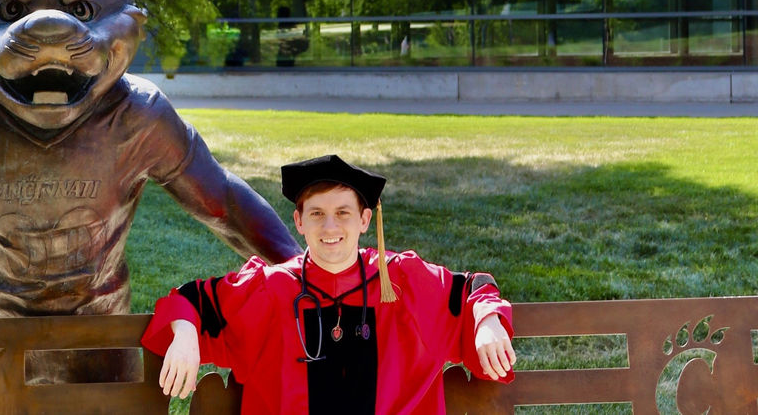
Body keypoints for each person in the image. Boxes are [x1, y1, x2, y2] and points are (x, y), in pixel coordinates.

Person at [141, 155, 516, 414]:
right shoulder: (271, 289)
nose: (330, 227)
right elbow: (193, 300)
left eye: (343, 213)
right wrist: (186, 333)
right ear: (299, 221)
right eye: (317, 214)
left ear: (365, 220)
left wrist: (487, 320)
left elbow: (471, 289)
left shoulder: (400, 280)